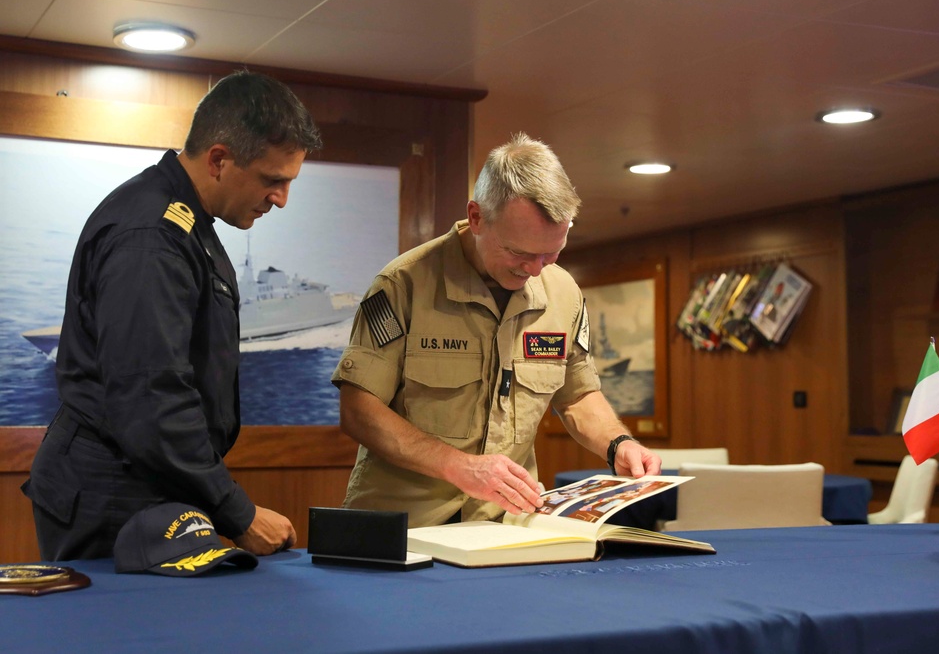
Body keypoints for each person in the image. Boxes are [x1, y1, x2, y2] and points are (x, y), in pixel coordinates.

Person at [22, 71, 323, 561]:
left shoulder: (184, 219)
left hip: (145, 482)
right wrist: (238, 513)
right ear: (219, 159)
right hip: (112, 493)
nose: (281, 199)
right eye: (273, 180)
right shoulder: (152, 237)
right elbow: (151, 396)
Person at [332, 132, 662, 528]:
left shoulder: (563, 293)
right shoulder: (403, 284)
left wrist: (618, 444)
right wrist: (459, 467)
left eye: (552, 253)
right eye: (520, 253)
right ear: (476, 218)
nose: (536, 270)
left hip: (504, 527)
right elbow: (358, 410)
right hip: (401, 527)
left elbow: (577, 397)